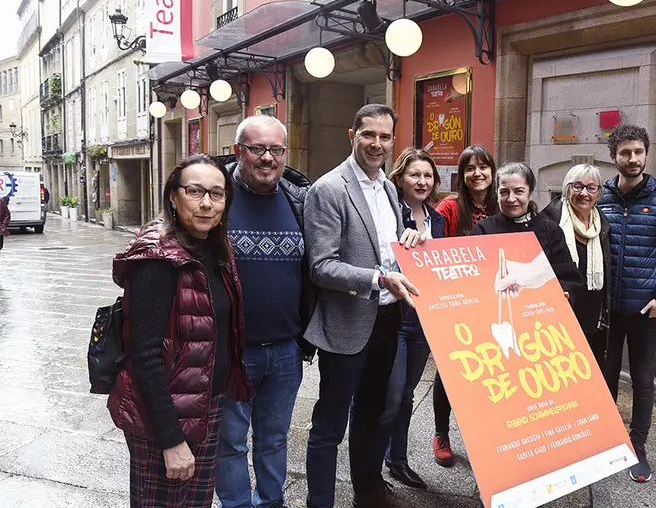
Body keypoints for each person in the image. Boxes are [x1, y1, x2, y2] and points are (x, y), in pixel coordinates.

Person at [108, 155, 253, 508]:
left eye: (217, 194)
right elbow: (145, 356)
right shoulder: (158, 258)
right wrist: (171, 440)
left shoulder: (214, 250)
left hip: (204, 404)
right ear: (173, 197)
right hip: (165, 416)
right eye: (195, 191)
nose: (207, 203)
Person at [304, 104, 424, 508]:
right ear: (351, 135)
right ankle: (319, 501)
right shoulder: (329, 188)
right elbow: (321, 266)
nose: (377, 144)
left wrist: (409, 240)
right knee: (330, 424)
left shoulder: (389, 188)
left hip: (388, 320)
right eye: (368, 134)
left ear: (394, 141)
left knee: (372, 414)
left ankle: (367, 490)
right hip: (346, 324)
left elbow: (384, 247)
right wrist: (377, 278)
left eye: (385, 137)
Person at [215, 115, 315, 508]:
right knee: (230, 442)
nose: (267, 158)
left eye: (276, 149)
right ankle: (237, 504)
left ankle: (271, 502)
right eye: (257, 148)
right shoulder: (216, 198)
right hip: (231, 351)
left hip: (286, 351)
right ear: (240, 151)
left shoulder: (298, 201)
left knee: (274, 439)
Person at [597, 124, 656, 483]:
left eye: (638, 152)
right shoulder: (600, 197)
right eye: (625, 153)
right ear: (613, 157)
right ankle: (606, 437)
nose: (632, 159)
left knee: (642, 379)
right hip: (608, 310)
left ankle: (638, 445)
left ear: (646, 154)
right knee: (605, 378)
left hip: (645, 310)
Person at [380, 148, 446, 490]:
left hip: (425, 319)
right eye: (414, 175)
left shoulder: (438, 219)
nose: (422, 182)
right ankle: (371, 464)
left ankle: (398, 460)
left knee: (406, 393)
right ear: (400, 177)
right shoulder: (391, 215)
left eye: (427, 176)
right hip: (396, 318)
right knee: (390, 396)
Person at [431, 145, 498, 467]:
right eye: (470, 168)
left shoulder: (503, 205)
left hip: (494, 303)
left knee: (489, 372)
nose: (477, 173)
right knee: (449, 371)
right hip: (457, 303)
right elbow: (433, 252)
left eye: (483, 167)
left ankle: (486, 434)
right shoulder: (449, 208)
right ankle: (441, 434)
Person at [472, 161, 583, 310]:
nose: (511, 199)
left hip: (541, 315)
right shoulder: (483, 230)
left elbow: (568, 277)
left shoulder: (551, 231)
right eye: (504, 192)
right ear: (497, 194)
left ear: (530, 193)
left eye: (519, 191)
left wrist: (564, 294)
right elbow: (475, 280)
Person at [541, 164, 611, 369]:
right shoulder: (549, 222)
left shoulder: (603, 224)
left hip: (595, 319)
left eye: (591, 188)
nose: (584, 193)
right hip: (560, 319)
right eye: (577, 186)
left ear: (598, 193)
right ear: (566, 189)